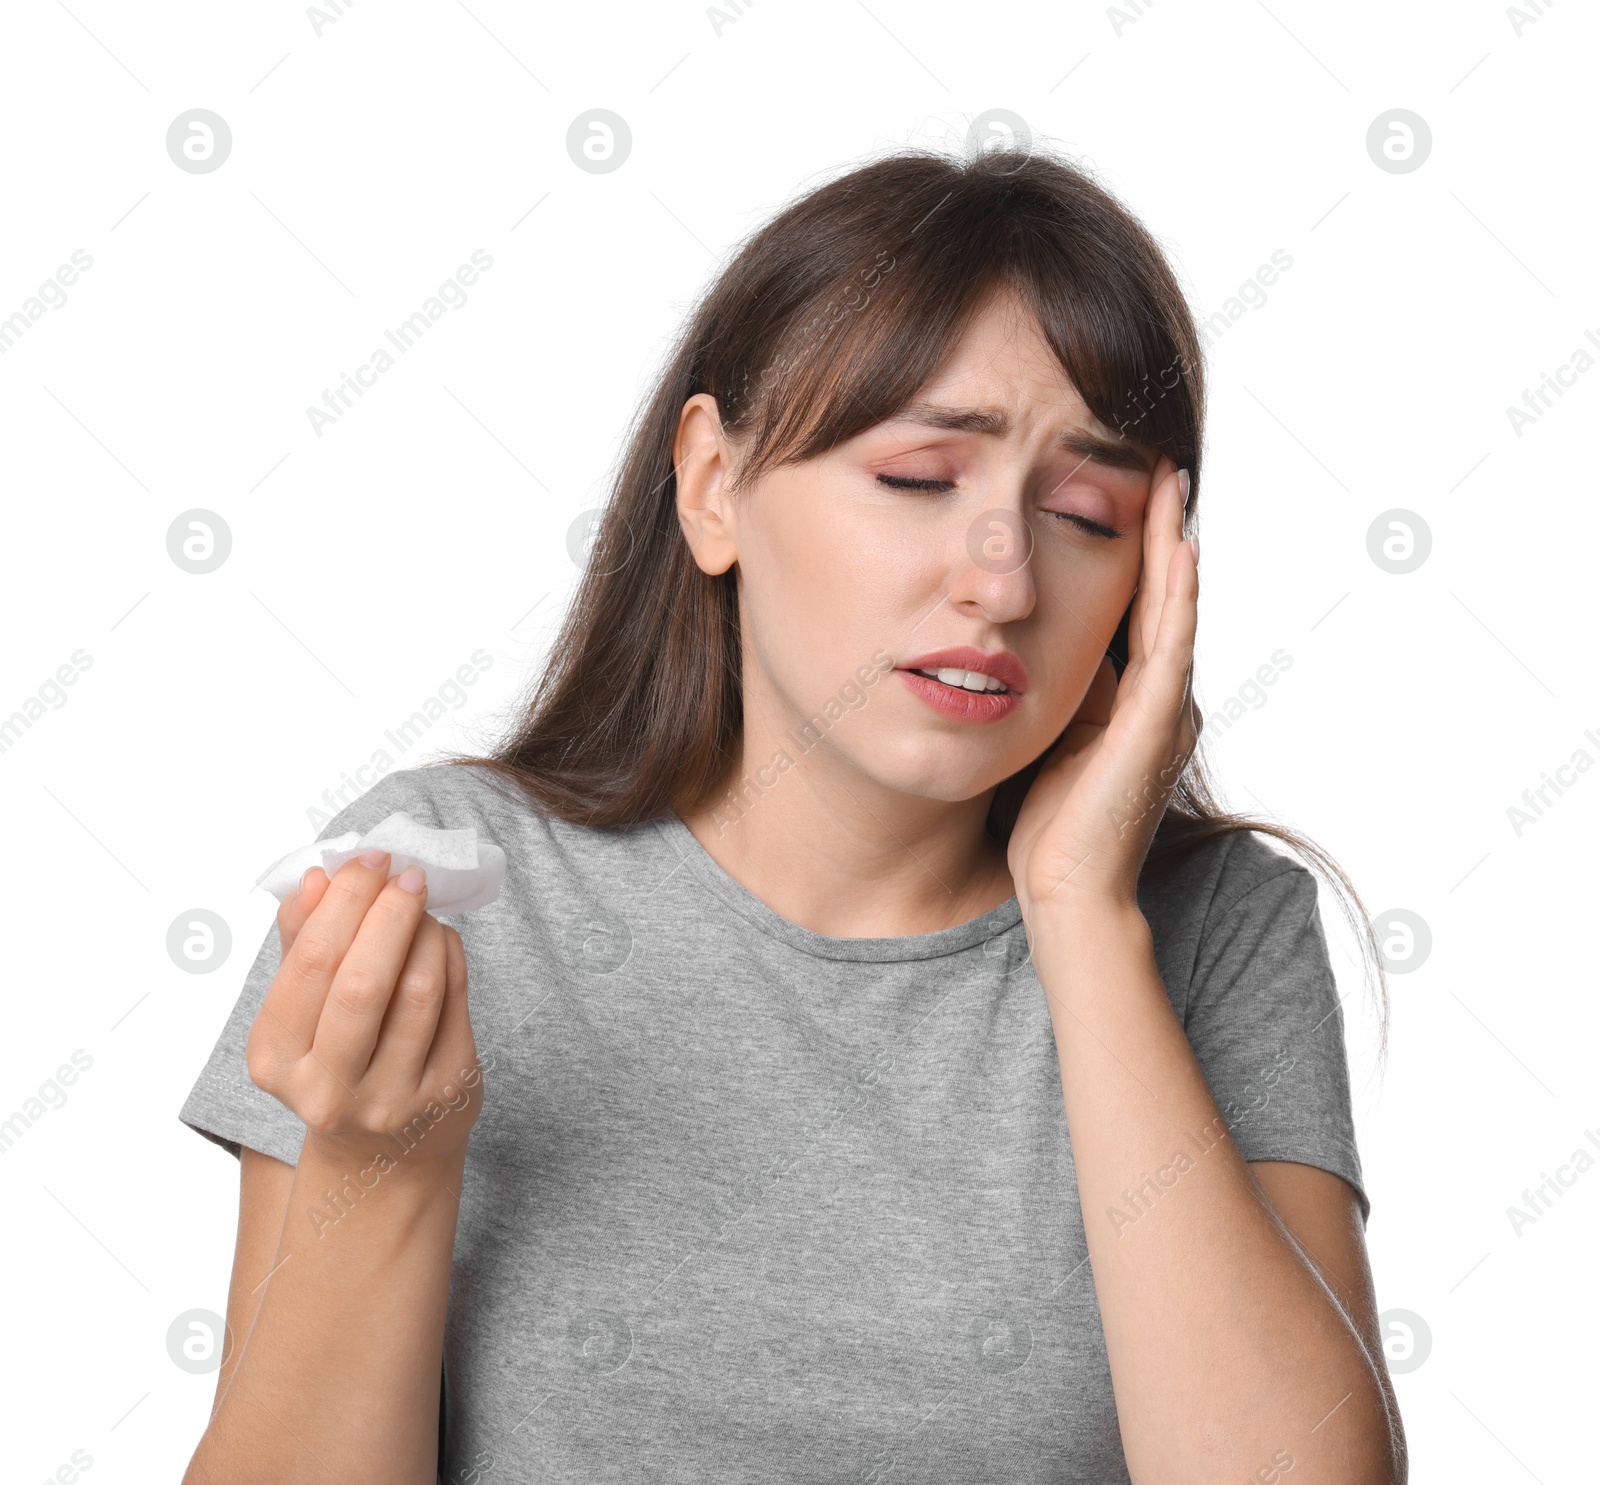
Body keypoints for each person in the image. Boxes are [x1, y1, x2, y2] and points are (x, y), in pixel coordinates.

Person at [179, 143, 1406, 1483]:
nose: (1001, 580)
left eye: (1083, 510)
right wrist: (380, 1168)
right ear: (712, 486)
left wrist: (1081, 913)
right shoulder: (460, 889)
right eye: (920, 479)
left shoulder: (1222, 929)